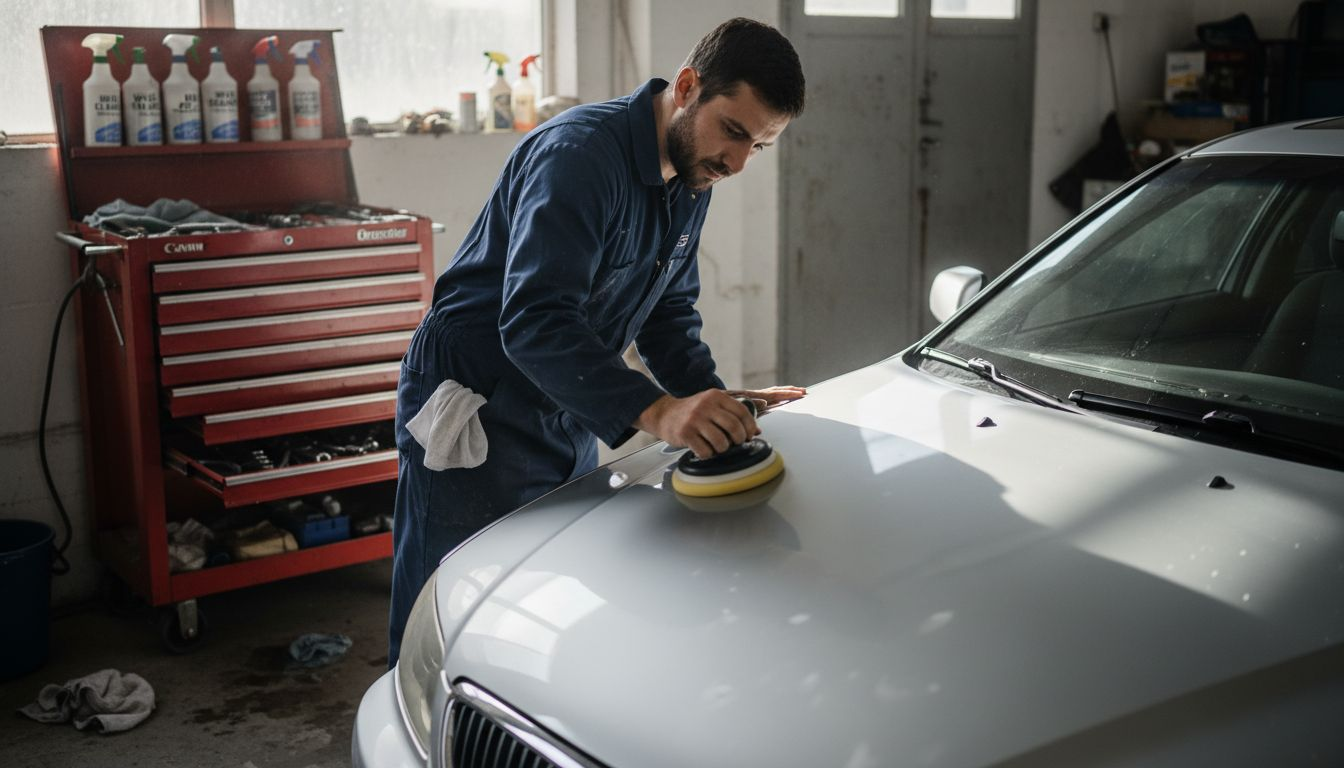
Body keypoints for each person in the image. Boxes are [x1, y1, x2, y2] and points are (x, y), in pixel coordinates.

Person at [388, 17, 807, 664]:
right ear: (689, 86)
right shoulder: (580, 158)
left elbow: (668, 312)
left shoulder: (695, 171)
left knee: (537, 597)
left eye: (761, 146)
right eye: (734, 132)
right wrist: (661, 412)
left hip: (570, 397)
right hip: (479, 399)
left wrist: (713, 405)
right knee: (449, 611)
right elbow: (533, 319)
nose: (739, 162)